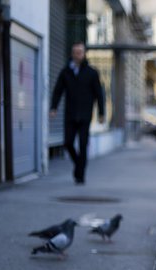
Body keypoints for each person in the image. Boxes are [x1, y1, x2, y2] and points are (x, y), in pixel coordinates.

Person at [50, 42, 105, 184]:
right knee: (68, 143)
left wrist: (101, 113)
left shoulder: (92, 73)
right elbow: (58, 90)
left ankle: (80, 175)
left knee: (82, 144)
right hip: (70, 114)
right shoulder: (66, 72)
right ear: (72, 54)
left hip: (85, 115)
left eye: (80, 52)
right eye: (75, 52)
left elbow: (99, 94)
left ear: (84, 54)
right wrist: (53, 107)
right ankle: (79, 166)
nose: (77, 54)